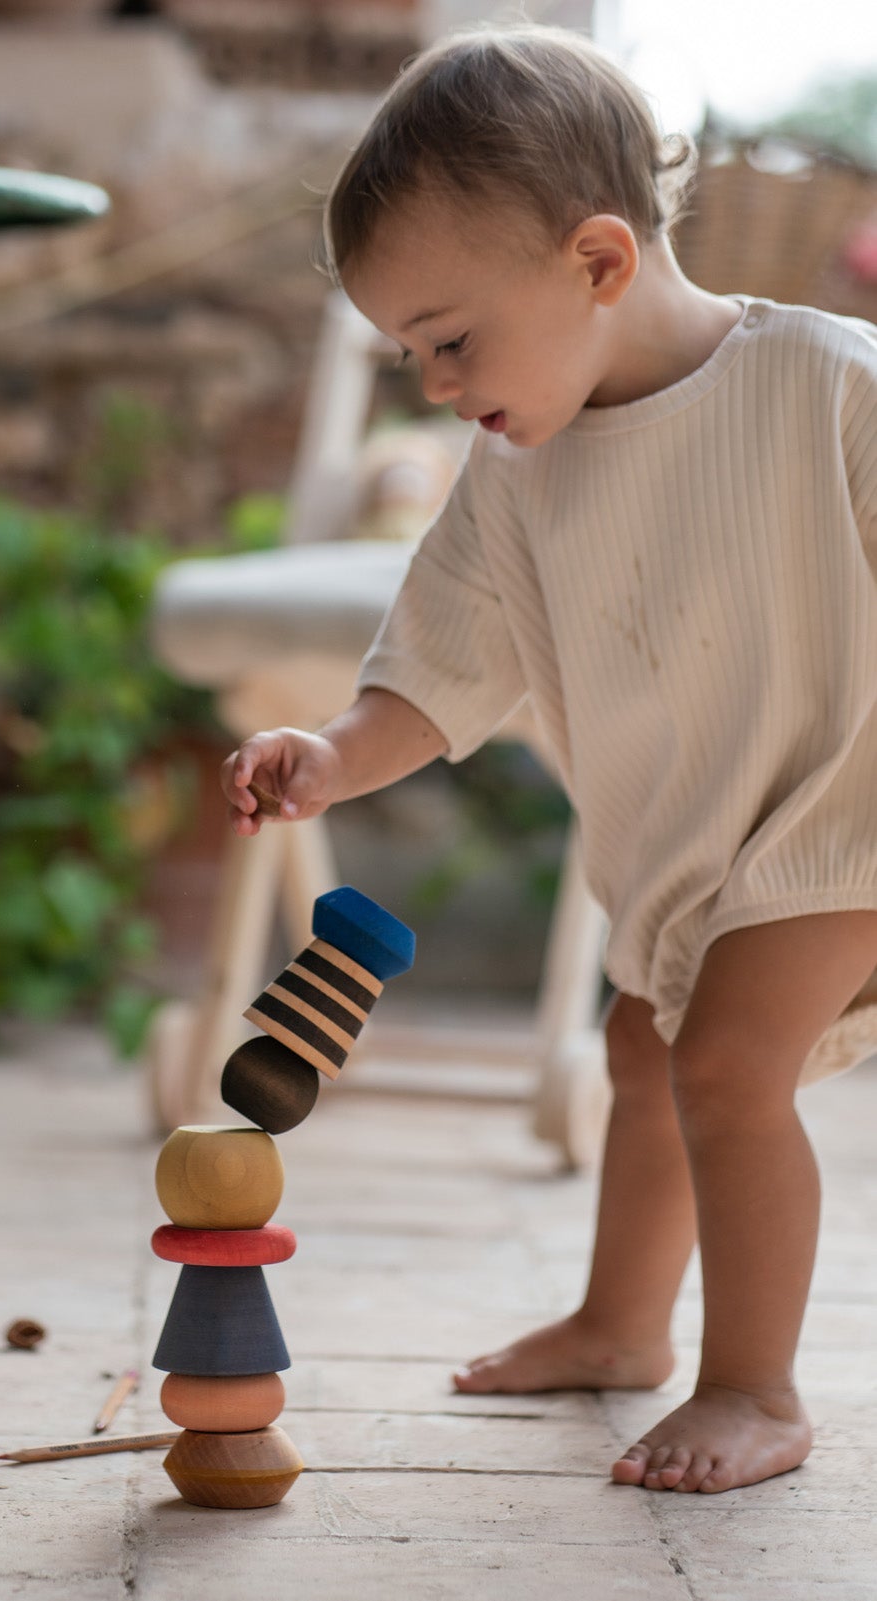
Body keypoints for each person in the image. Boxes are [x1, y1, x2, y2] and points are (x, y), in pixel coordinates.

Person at [221, 23, 877, 1495]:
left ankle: (756, 1385)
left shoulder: (829, 383)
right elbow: (442, 656)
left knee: (718, 1064)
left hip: (843, 816)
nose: (436, 386)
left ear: (593, 261)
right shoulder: (517, 468)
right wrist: (328, 753)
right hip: (682, 844)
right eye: (408, 355)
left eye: (450, 340)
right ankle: (617, 1321)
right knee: (640, 1050)